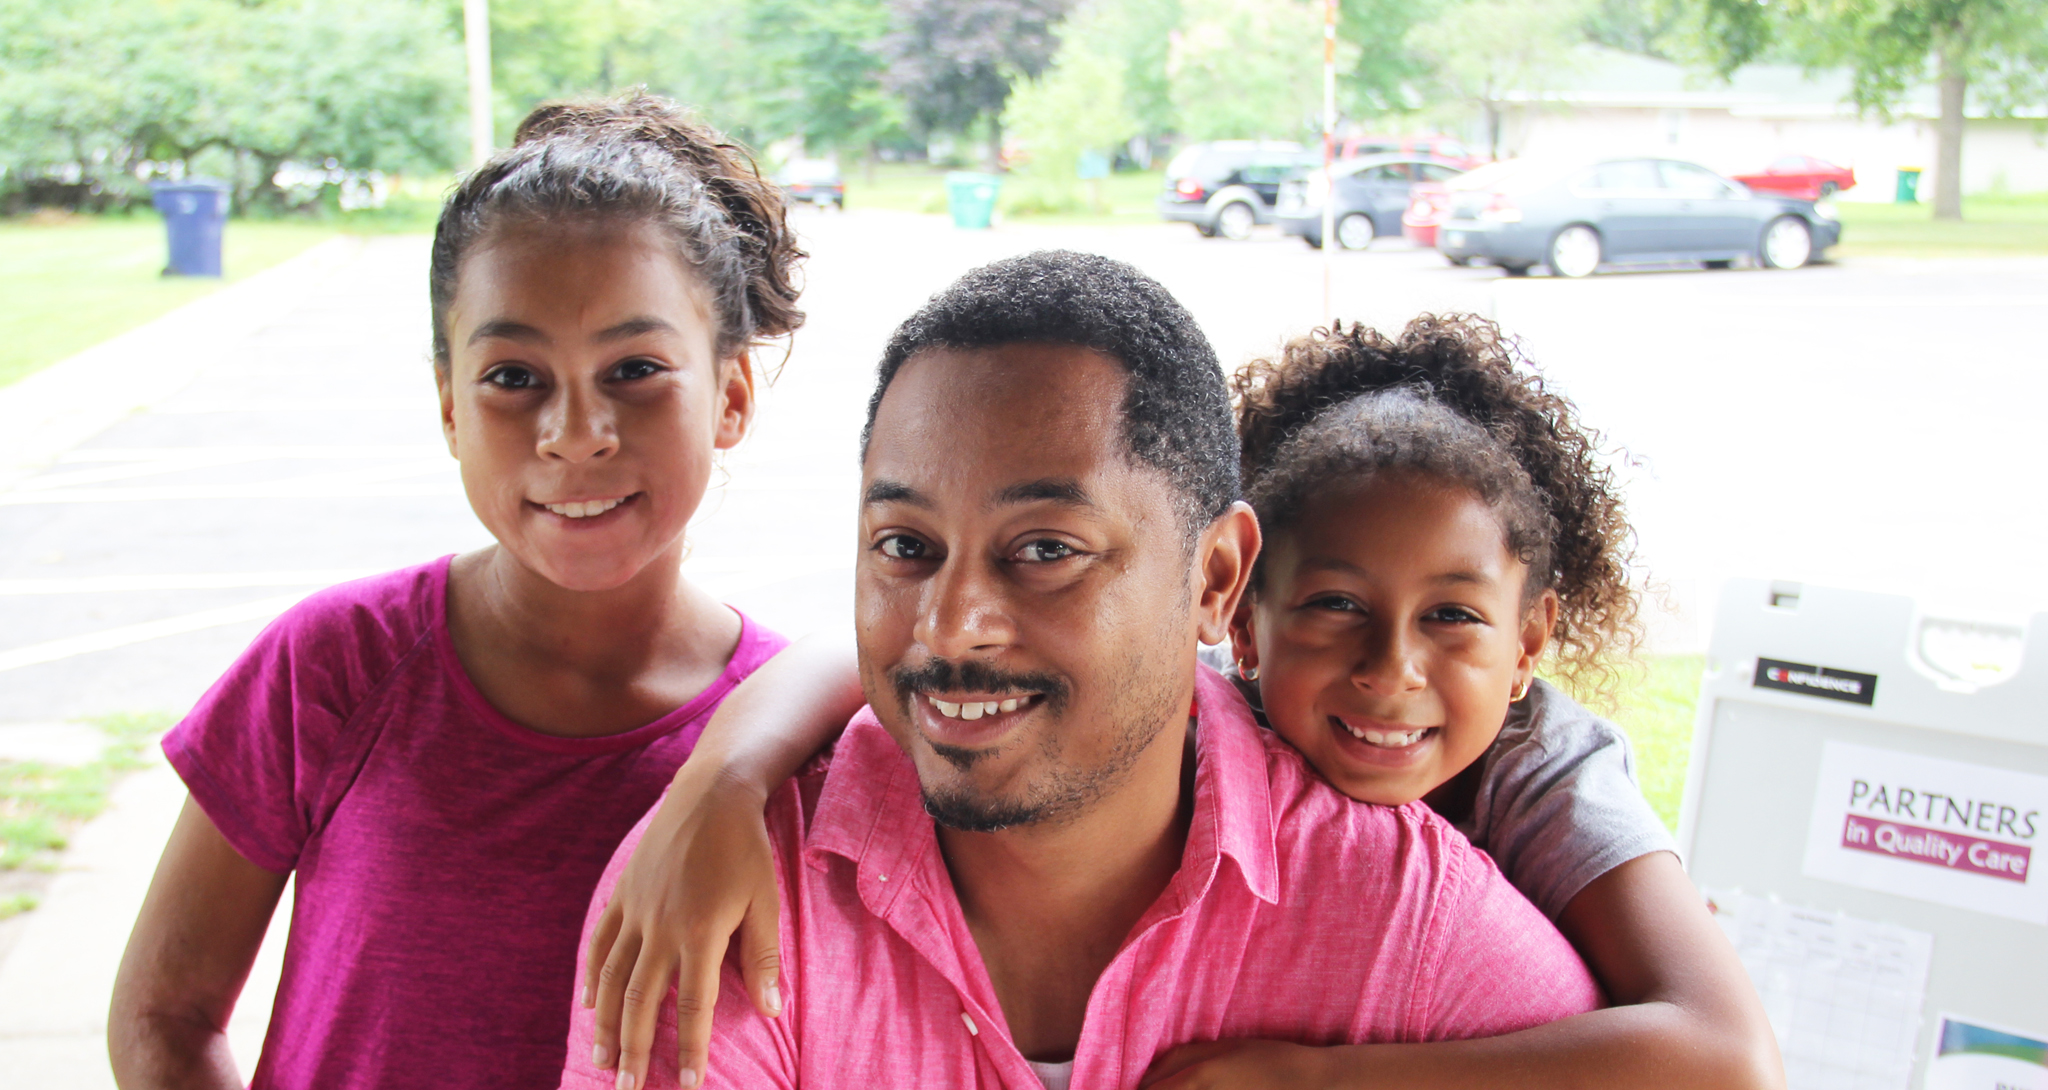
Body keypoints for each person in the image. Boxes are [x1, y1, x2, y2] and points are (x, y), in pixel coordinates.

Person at [577, 313, 1783, 1090]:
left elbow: (1718, 1055)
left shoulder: (1489, 826)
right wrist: (725, 772)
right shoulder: (742, 895)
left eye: (1046, 548)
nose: (1387, 675)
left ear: (1208, 579)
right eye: (903, 544)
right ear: (1249, 612)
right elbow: (896, 663)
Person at [107, 92, 803, 1090]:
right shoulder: (332, 665)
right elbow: (159, 1013)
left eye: (636, 368)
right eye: (514, 377)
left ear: (730, 396)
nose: (576, 432)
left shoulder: (794, 742)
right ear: (447, 407)